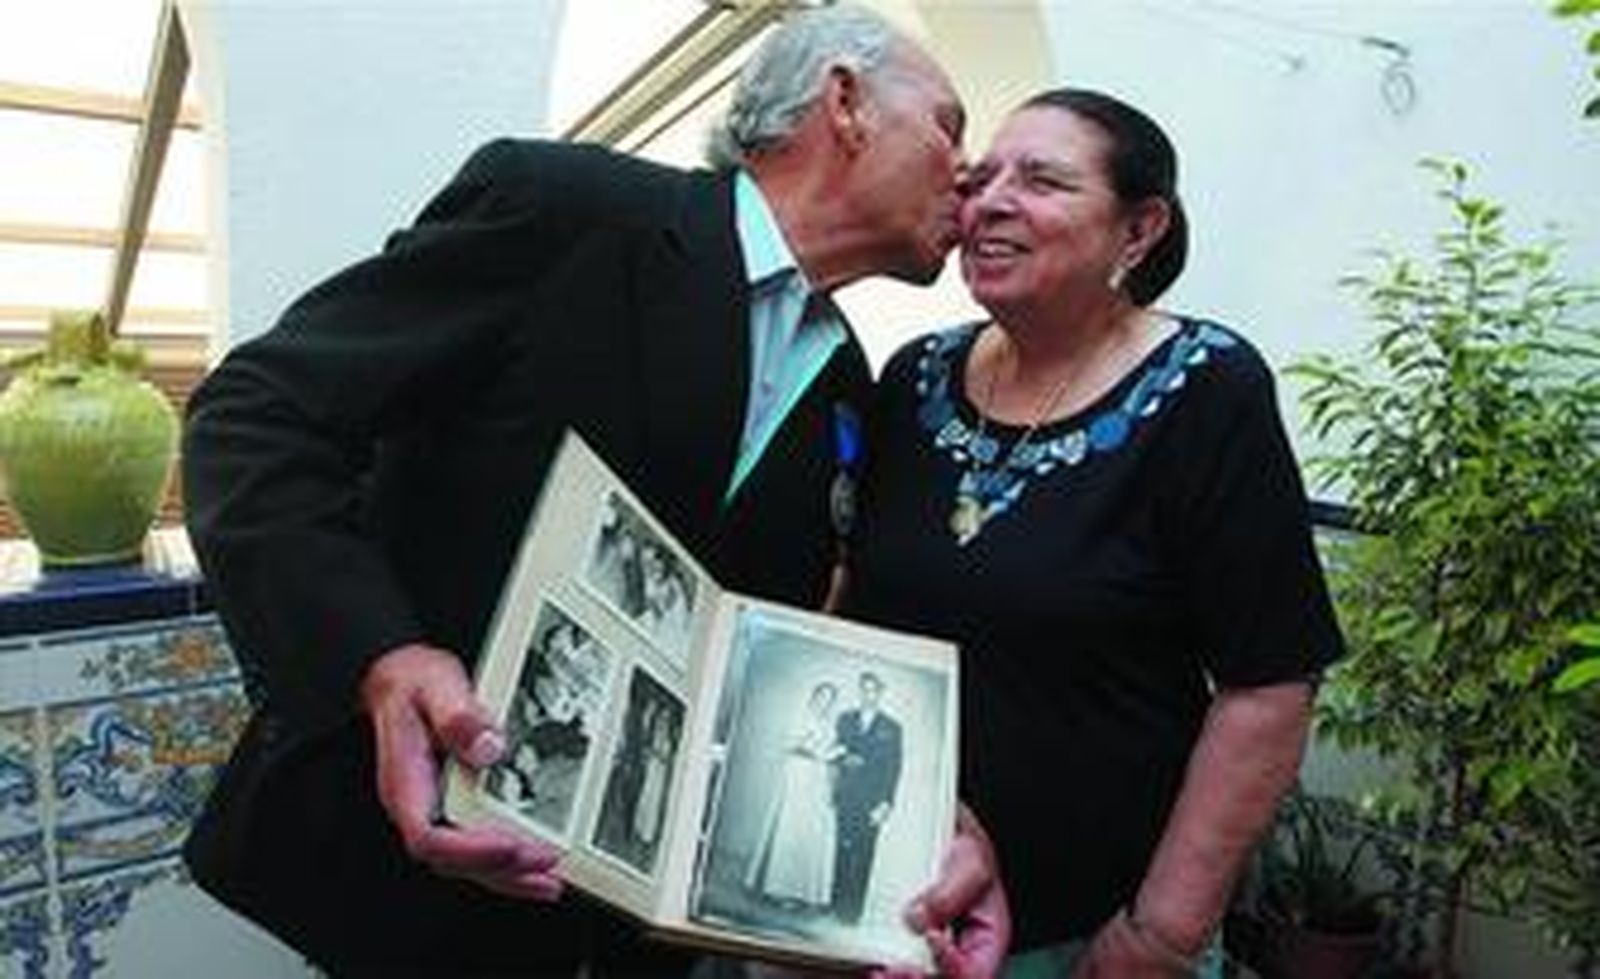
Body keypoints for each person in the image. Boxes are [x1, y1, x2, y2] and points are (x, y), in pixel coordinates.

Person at [178, 5, 975, 977]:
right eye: (949, 124)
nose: (967, 170)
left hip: (625, 931)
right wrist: (379, 656)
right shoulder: (565, 209)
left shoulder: (848, 379)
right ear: (843, 101)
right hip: (413, 871)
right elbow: (256, 417)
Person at [845, 88, 1344, 977]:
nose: (990, 199)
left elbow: (1268, 685)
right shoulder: (912, 375)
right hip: (883, 904)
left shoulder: (1206, 388)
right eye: (985, 174)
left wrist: (1159, 935)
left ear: (1140, 230)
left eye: (1042, 180)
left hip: (1085, 936)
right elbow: (847, 603)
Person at [745, 680, 844, 910]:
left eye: (829, 700)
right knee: (788, 830)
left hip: (816, 780)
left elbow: (828, 754)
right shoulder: (800, 717)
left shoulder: (829, 726)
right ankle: (777, 889)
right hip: (797, 776)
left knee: (807, 833)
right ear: (814, 696)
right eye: (821, 697)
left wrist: (831, 758)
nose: (824, 704)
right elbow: (789, 745)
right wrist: (810, 748)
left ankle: (802, 892)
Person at [831, 670, 903, 926]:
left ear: (880, 693)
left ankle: (852, 913)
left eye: (873, 690)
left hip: (872, 802)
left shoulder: (892, 727)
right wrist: (843, 759)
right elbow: (835, 751)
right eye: (864, 689)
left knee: (864, 854)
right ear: (859, 690)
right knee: (841, 849)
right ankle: (835, 905)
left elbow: (894, 769)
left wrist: (886, 803)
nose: (868, 695)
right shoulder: (845, 719)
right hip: (847, 795)